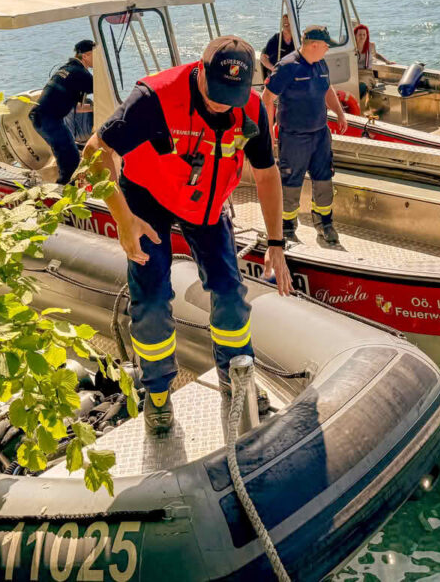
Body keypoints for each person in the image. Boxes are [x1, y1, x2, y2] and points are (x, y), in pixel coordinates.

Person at [83, 36, 293, 434]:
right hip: (147, 199)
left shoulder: (250, 108)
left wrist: (277, 244)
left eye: (230, 96)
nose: (219, 104)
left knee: (230, 292)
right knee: (152, 298)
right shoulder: (154, 98)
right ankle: (158, 396)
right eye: (215, 93)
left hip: (205, 204)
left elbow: (266, 173)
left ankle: (237, 378)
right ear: (200, 70)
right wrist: (123, 220)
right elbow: (95, 152)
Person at [263, 25, 349, 246]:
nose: (327, 50)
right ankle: (287, 227)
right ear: (313, 45)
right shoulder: (287, 67)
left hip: (320, 135)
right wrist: (269, 129)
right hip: (294, 138)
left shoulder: (320, 63)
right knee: (291, 182)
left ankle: (325, 225)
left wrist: (339, 113)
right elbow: (267, 98)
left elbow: (327, 89)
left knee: (324, 180)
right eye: (325, 46)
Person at [30, 39, 95, 185]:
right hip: (49, 119)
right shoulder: (81, 73)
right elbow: (105, 88)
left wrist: (94, 107)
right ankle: (65, 193)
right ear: (85, 56)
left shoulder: (67, 69)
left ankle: (66, 187)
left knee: (66, 154)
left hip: (41, 116)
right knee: (71, 160)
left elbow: (75, 107)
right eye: (95, 55)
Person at [353, 23, 391, 99]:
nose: (362, 37)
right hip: (354, 74)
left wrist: (386, 61)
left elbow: (375, 54)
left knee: (362, 86)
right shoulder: (352, 47)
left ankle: (357, 106)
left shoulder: (371, 46)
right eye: (360, 35)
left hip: (367, 74)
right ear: (355, 35)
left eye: (364, 34)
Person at [260, 14, 296, 80]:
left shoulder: (297, 39)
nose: (286, 22)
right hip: (277, 74)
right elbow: (263, 58)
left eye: (288, 20)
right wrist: (273, 69)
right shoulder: (275, 39)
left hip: (293, 73)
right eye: (284, 20)